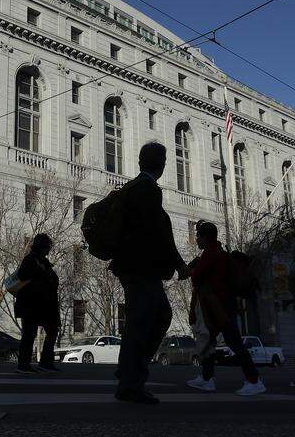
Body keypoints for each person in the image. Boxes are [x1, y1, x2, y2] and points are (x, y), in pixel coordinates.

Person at [110, 142, 186, 404]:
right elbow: (158, 232)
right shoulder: (147, 190)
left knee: (143, 319)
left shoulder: (133, 187)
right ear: (161, 164)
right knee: (149, 319)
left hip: (130, 265)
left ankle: (129, 370)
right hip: (141, 267)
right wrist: (178, 263)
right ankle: (132, 378)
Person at [185, 220, 265, 396]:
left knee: (233, 341)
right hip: (220, 304)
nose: (196, 239)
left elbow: (197, 277)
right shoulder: (218, 251)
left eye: (198, 236)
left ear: (205, 237)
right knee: (210, 341)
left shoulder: (210, 253)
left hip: (219, 306)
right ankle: (207, 379)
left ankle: (254, 380)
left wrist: (192, 270)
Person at [13, 233, 61, 374]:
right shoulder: (30, 260)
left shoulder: (44, 262)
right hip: (32, 304)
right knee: (30, 333)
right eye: (47, 247)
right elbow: (23, 276)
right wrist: (41, 275)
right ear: (41, 247)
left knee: (52, 330)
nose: (48, 250)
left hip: (45, 304)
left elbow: (53, 279)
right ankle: (23, 364)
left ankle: (45, 363)